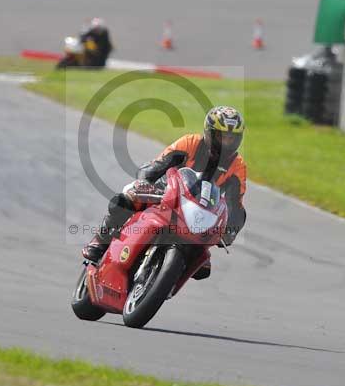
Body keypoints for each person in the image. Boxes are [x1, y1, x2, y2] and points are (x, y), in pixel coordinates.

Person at [82, 106, 248, 279]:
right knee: (125, 199)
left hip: (199, 214)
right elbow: (159, 164)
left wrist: (231, 229)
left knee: (202, 265)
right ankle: (100, 241)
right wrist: (146, 180)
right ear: (209, 133)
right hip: (167, 194)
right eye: (222, 136)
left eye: (231, 138)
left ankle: (167, 277)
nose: (226, 142)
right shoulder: (190, 142)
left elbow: (234, 203)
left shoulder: (238, 166)